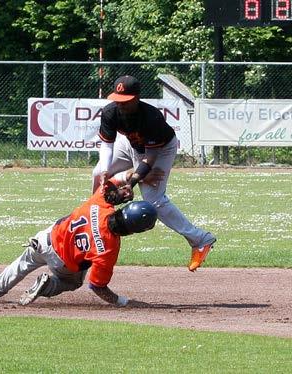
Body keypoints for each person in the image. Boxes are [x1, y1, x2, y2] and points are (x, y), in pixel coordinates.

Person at [93, 75, 216, 272]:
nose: (120, 105)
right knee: (98, 171)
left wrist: (134, 181)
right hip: (130, 144)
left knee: (153, 198)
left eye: (125, 101)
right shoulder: (110, 112)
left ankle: (201, 239)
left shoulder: (151, 117)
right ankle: (97, 222)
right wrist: (107, 170)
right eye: (117, 99)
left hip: (161, 149)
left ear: (136, 98)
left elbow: (149, 159)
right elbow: (107, 145)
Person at [0, 177, 157, 307]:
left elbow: (113, 182)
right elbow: (97, 286)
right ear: (134, 230)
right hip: (63, 264)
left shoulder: (100, 204)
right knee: (72, 283)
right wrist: (122, 301)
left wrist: (131, 179)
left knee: (22, 264)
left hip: (45, 240)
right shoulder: (109, 249)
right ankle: (47, 286)